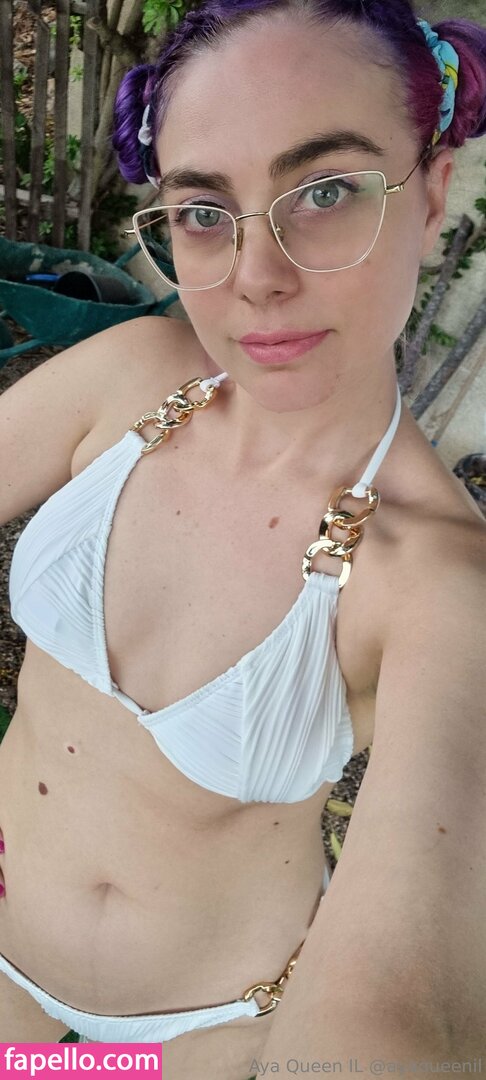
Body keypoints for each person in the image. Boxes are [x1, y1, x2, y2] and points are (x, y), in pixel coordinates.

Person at [0, 0, 485, 1075]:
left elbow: (408, 1017)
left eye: (326, 192)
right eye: (204, 211)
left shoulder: (439, 583)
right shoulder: (129, 378)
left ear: (431, 198)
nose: (257, 276)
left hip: (205, 1035)